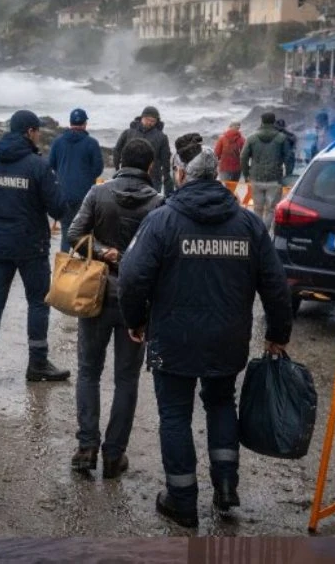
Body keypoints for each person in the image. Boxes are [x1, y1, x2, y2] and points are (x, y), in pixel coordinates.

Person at [119, 134, 293, 529]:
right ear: (216, 177)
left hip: (174, 339)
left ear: (180, 174)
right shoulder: (248, 224)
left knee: (176, 414)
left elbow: (131, 277)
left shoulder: (162, 221)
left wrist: (135, 321)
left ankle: (181, 499)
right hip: (227, 338)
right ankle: (226, 486)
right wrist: (279, 333)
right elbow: (275, 284)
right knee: (220, 404)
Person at [66, 138, 163, 478]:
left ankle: (86, 446)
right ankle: (113, 454)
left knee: (88, 371)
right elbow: (161, 258)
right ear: (150, 167)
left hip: (95, 294)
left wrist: (103, 249)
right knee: (126, 379)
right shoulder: (158, 203)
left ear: (120, 160)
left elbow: (74, 235)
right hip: (136, 302)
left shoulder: (98, 193)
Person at [0, 109, 70, 383]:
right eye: (37, 131)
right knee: (37, 302)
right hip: (31, 246)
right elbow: (58, 207)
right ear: (30, 132)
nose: (39, 136)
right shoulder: (38, 166)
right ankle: (37, 363)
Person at [48, 108, 104, 253]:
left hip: (63, 194)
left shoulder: (58, 142)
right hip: (85, 194)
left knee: (67, 231)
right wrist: (87, 179)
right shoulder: (91, 143)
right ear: (85, 124)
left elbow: (51, 165)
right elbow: (98, 168)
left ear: (70, 123)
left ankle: (65, 269)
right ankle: (84, 271)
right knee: (85, 232)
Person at [239, 112, 294, 230]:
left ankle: (258, 231)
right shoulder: (281, 138)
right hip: (275, 178)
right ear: (274, 122)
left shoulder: (251, 138)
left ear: (261, 121)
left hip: (256, 178)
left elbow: (243, 156)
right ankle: (264, 230)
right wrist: (288, 174)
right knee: (271, 209)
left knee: (257, 208)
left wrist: (246, 174)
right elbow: (289, 157)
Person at [113, 106, 174, 196]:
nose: (149, 122)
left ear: (157, 121)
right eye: (147, 119)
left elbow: (166, 161)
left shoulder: (162, 137)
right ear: (141, 118)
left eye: (153, 121)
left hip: (152, 178)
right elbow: (117, 151)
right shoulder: (128, 133)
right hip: (128, 175)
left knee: (151, 205)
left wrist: (168, 188)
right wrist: (117, 169)